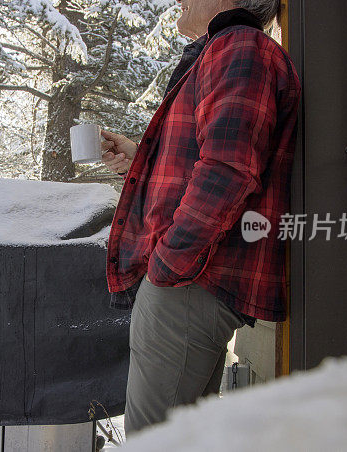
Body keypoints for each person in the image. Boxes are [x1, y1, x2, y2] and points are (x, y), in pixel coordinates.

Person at [100, 0, 301, 435]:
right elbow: (212, 160)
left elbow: (228, 170)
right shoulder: (224, 51)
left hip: (189, 282)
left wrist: (167, 266)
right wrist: (140, 156)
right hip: (191, 281)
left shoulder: (240, 47)